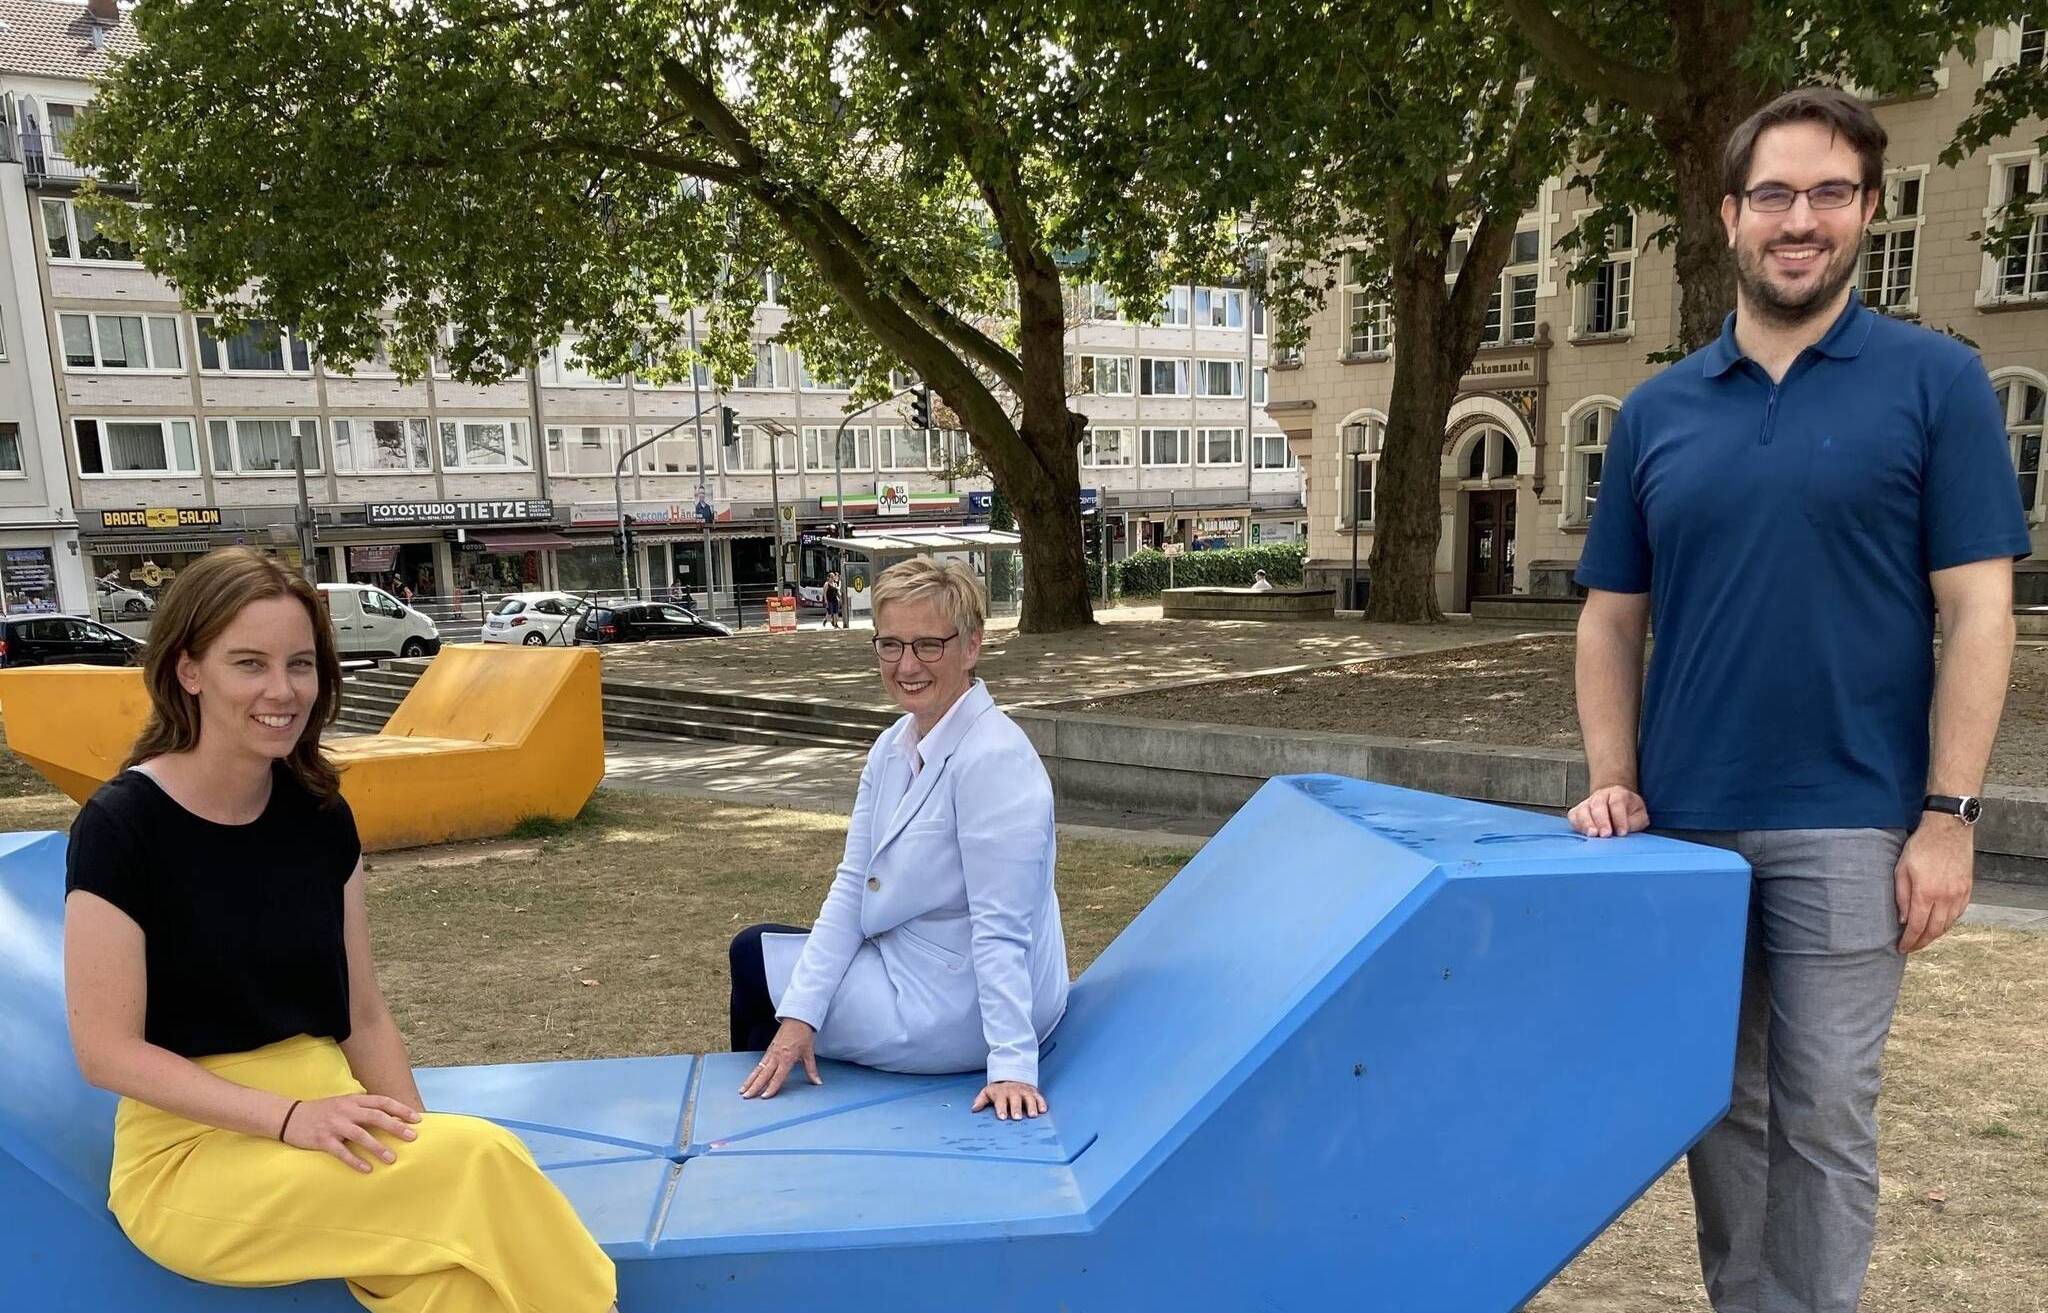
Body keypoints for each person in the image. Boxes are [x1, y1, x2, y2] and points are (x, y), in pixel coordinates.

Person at [1569, 88, 2028, 1313]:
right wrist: (1612, 773)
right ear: (1727, 216)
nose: (1798, 218)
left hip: (1850, 816)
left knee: (1823, 1108)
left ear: (1866, 213)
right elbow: (1610, 616)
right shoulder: (1658, 409)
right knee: (1717, 1103)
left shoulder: (1935, 383)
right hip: (1685, 819)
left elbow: (1978, 612)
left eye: (1828, 193)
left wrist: (1948, 814)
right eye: (1771, 193)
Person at [63, 548, 617, 1313]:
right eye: (249, 663)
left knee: (455, 1282)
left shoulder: (319, 811)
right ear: (189, 670)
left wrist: (414, 1145)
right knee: (484, 1157)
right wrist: (292, 1118)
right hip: (194, 1155)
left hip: (333, 1121)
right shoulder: (122, 826)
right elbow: (107, 1052)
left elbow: (364, 1015)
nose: (282, 690)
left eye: (301, 663)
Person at [729, 557, 1067, 1121]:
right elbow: (851, 886)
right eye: (890, 645)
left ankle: (753, 1126)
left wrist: (1010, 1064)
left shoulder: (995, 759)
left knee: (755, 963)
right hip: (910, 959)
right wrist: (800, 1017)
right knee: (763, 961)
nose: (907, 665)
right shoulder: (892, 746)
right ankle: (767, 1094)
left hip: (961, 1005)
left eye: (928, 645)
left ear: (972, 646)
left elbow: (1002, 928)